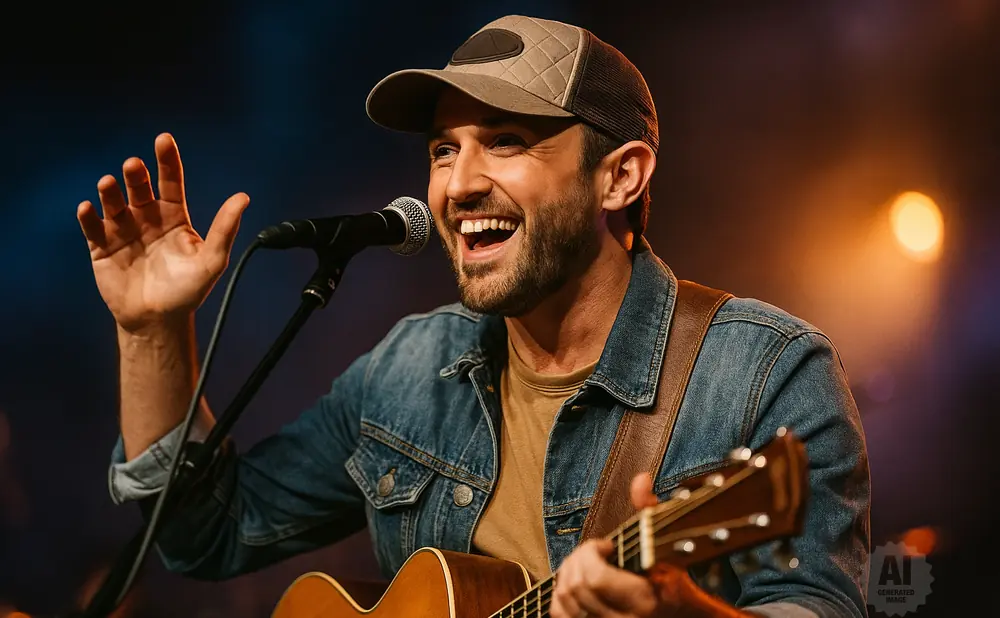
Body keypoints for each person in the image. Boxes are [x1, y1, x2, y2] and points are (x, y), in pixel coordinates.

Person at [77, 14, 870, 618]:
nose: (457, 184)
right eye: (442, 149)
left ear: (620, 178)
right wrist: (150, 331)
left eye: (506, 140)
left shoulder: (764, 374)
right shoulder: (406, 371)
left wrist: (682, 613)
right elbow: (201, 534)